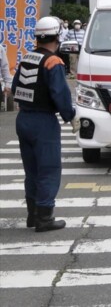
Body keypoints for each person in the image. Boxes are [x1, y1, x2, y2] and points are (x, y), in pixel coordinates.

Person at [12, 16, 79, 232]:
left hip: (24, 120)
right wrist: (71, 116)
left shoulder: (26, 58)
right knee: (49, 169)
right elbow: (60, 94)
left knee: (31, 170)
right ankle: (44, 217)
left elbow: (15, 89)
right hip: (43, 122)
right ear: (58, 36)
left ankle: (32, 215)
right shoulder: (53, 62)